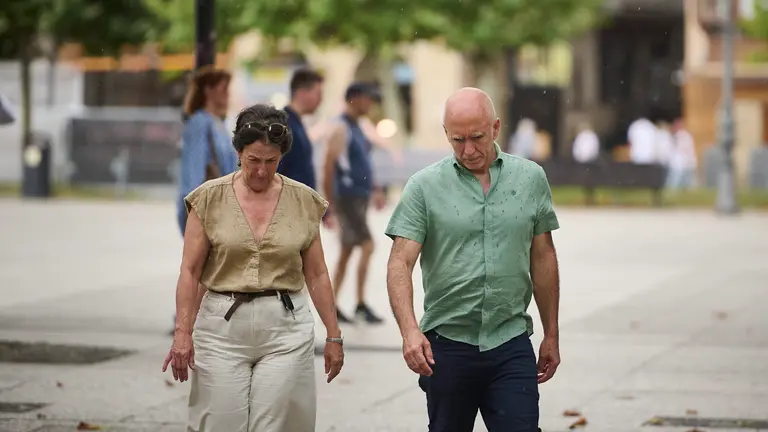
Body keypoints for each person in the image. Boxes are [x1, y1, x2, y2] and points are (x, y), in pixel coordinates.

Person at [385, 87, 561, 432]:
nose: (468, 150)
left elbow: (543, 258)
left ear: (496, 128)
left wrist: (551, 333)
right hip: (447, 347)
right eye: (457, 140)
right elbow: (399, 263)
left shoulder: (530, 179)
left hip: (510, 340)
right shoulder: (424, 186)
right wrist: (409, 331)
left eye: (477, 137)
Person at [162, 104, 344, 432]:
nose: (261, 171)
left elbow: (316, 273)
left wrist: (334, 335)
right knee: (220, 424)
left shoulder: (303, 200)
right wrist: (182, 334)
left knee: (275, 426)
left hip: (285, 327)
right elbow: (189, 272)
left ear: (282, 157)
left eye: (271, 162)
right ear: (238, 152)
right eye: (253, 160)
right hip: (221, 327)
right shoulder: (207, 199)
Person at [170, 67, 238, 335]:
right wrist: (195, 211)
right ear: (208, 90)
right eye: (223, 89)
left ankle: (193, 321)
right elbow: (193, 172)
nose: (227, 95)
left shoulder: (218, 122)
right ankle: (186, 323)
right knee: (198, 268)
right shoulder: (200, 122)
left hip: (219, 207)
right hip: (203, 207)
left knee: (209, 269)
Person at [323, 82, 387, 324]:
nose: (371, 104)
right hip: (347, 198)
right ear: (355, 99)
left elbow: (362, 164)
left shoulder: (356, 127)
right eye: (368, 99)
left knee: (347, 251)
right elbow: (328, 166)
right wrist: (329, 205)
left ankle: (333, 304)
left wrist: (375, 189)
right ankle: (357, 303)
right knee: (367, 246)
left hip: (357, 196)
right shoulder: (340, 127)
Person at [278, 68, 324, 189]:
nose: (321, 100)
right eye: (318, 94)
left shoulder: (296, 123)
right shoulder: (285, 124)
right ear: (302, 93)